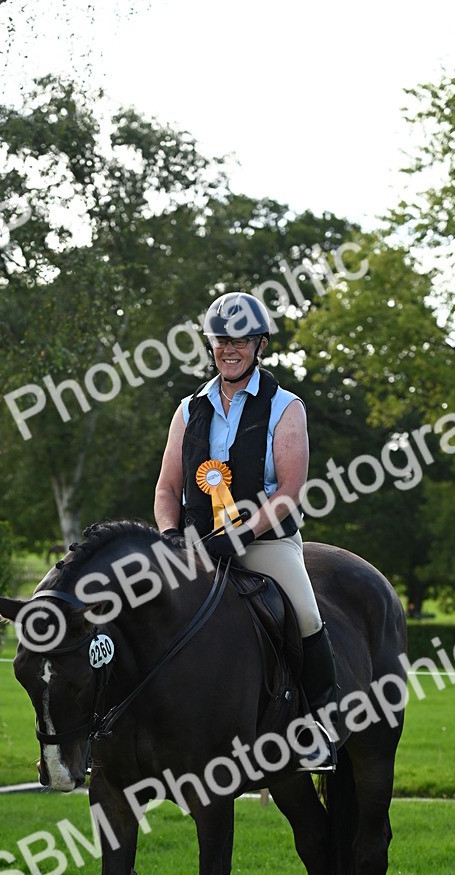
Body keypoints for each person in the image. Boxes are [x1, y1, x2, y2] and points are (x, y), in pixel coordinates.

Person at [154, 290, 337, 771]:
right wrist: (172, 536)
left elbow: (289, 492)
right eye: (220, 340)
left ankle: (318, 726)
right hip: (196, 547)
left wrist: (242, 535)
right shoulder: (189, 408)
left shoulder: (285, 407)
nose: (228, 349)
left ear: (259, 345)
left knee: (305, 615)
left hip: (266, 542)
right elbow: (167, 489)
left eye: (241, 340)